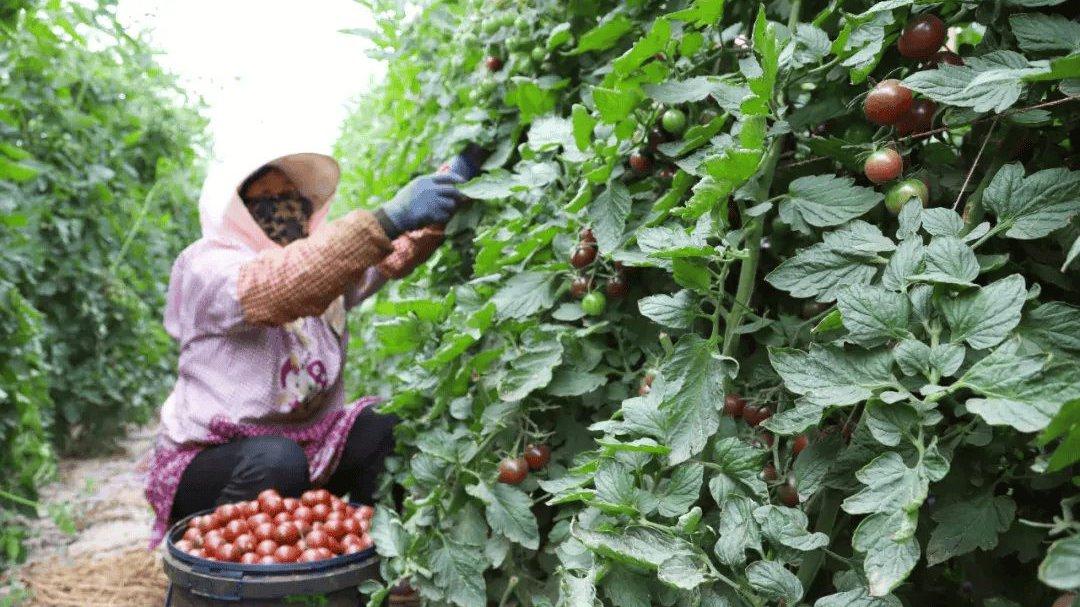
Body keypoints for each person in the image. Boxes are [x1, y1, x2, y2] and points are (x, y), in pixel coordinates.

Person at [143, 147, 481, 548]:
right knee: (276, 462)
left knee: (383, 424)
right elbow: (276, 287)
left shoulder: (323, 264)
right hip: (217, 460)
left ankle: (379, 560)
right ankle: (224, 567)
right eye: (265, 199)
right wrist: (388, 218)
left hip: (309, 448)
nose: (283, 208)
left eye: (291, 196)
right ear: (237, 211)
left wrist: (453, 179)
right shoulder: (209, 266)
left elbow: (386, 257)